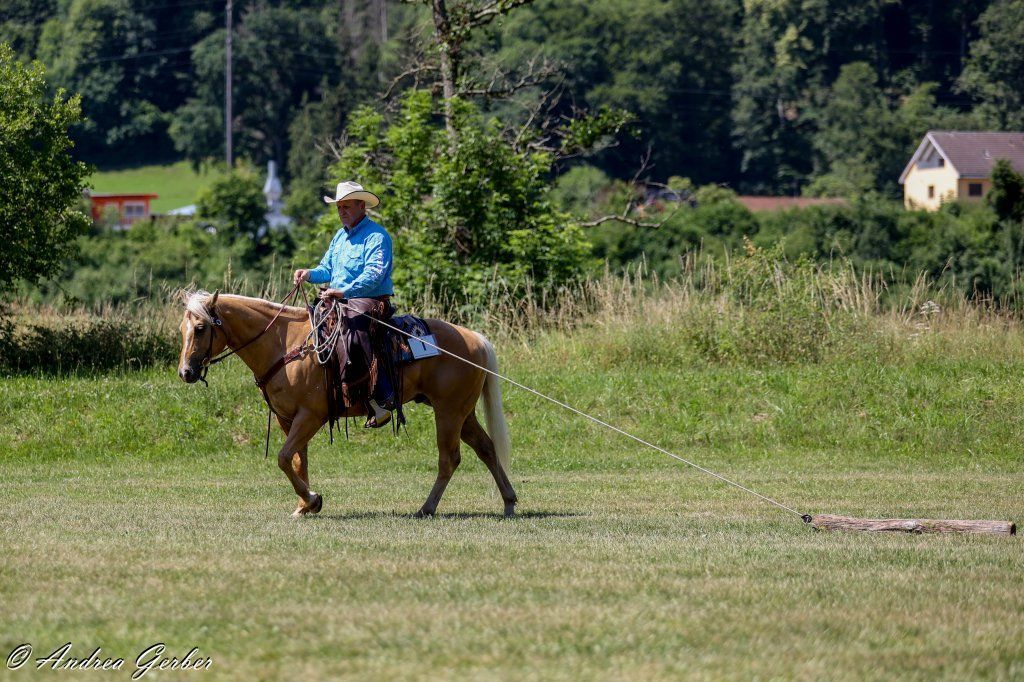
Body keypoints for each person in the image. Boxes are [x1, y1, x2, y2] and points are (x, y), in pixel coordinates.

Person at [293, 181, 395, 428]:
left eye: (347, 206)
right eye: (339, 207)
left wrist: (344, 291)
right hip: (337, 299)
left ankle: (381, 398)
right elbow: (327, 269)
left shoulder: (377, 236)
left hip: (368, 299)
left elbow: (375, 273)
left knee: (354, 332)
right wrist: (309, 273)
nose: (342, 212)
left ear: (362, 206)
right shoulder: (340, 236)